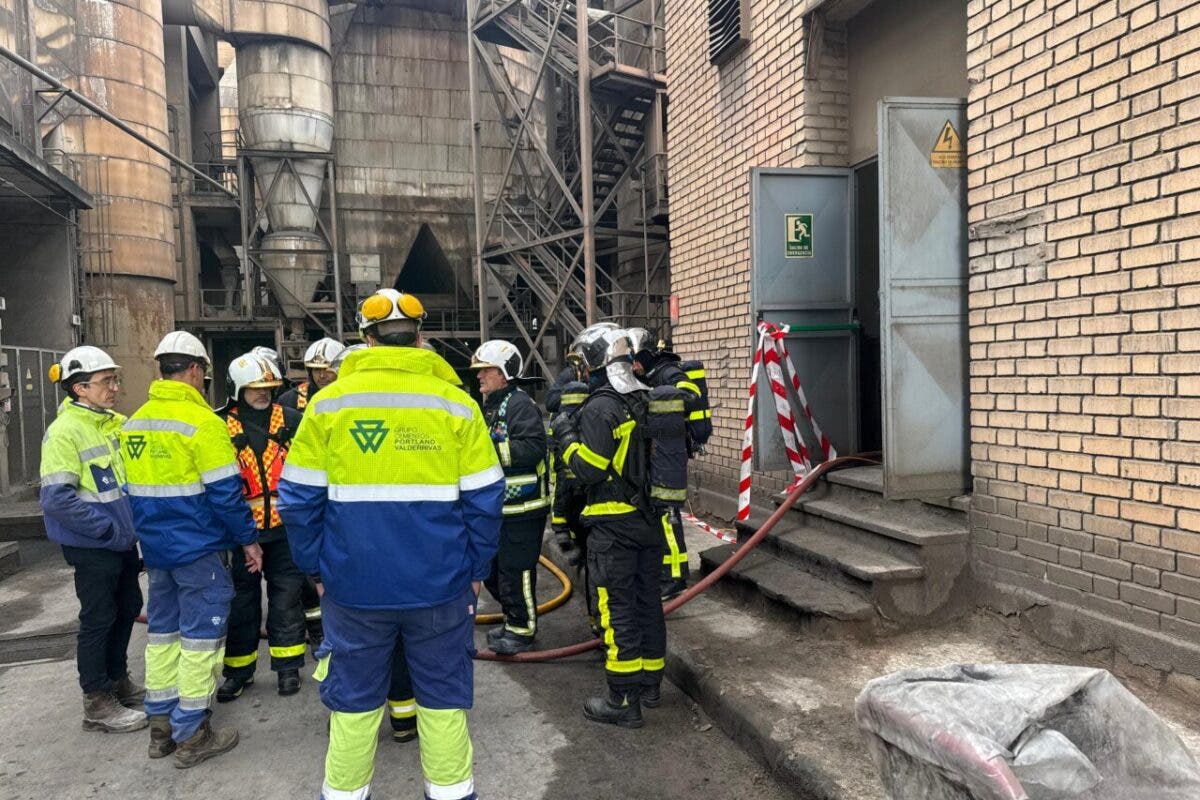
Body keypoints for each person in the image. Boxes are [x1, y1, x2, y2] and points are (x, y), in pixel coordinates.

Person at [278, 289, 503, 800]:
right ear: (420, 337)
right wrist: (476, 567)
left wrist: (316, 568)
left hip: (353, 588)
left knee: (354, 706)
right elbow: (487, 500)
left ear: (367, 338)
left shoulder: (328, 405)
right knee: (444, 702)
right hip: (441, 586)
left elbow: (296, 500)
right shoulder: (457, 404)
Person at [122, 330, 263, 767]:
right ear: (197, 370)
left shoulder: (135, 422)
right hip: (200, 550)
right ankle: (192, 733)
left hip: (158, 551)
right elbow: (226, 494)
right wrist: (248, 540)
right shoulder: (203, 424)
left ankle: (160, 726)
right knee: (201, 640)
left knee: (163, 635)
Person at [558, 328, 665, 728]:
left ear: (595, 362)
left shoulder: (600, 408)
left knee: (616, 610)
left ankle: (622, 701)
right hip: (648, 523)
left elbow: (587, 469)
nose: (581, 371)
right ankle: (651, 686)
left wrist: (565, 436)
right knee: (647, 605)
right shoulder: (645, 396)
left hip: (612, 528)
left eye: (582, 364)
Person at [40, 346, 147, 734]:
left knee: (127, 606)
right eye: (106, 382)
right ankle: (97, 701)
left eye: (115, 380)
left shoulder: (114, 423)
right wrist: (106, 531)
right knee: (99, 617)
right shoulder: (65, 433)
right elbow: (56, 499)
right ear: (80, 388)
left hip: (120, 542)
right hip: (94, 545)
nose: (115, 388)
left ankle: (117, 680)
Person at [215, 352, 307, 701]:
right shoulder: (220, 425)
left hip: (285, 529)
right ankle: (238, 671)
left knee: (286, 600)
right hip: (240, 533)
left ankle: (288, 668)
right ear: (238, 389)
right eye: (255, 387)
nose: (264, 393)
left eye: (269, 386)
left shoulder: (294, 420)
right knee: (241, 603)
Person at [469, 340, 550, 655]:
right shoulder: (494, 405)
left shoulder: (519, 404)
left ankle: (522, 629)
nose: (479, 377)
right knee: (493, 569)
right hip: (503, 506)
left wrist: (486, 453)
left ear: (503, 372)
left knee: (516, 569)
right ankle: (513, 616)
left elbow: (533, 447)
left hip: (525, 505)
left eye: (484, 370)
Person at [627, 328, 699, 600]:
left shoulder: (667, 372)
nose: (633, 366)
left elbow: (690, 393)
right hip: (659, 456)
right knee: (661, 517)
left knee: (669, 519)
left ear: (646, 356)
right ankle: (665, 572)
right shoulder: (649, 376)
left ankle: (675, 578)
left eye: (636, 359)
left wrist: (659, 396)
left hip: (670, 458)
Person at [278, 337, 344, 412]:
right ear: (310, 372)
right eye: (316, 370)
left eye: (327, 369)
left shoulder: (353, 395)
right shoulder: (290, 400)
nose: (322, 375)